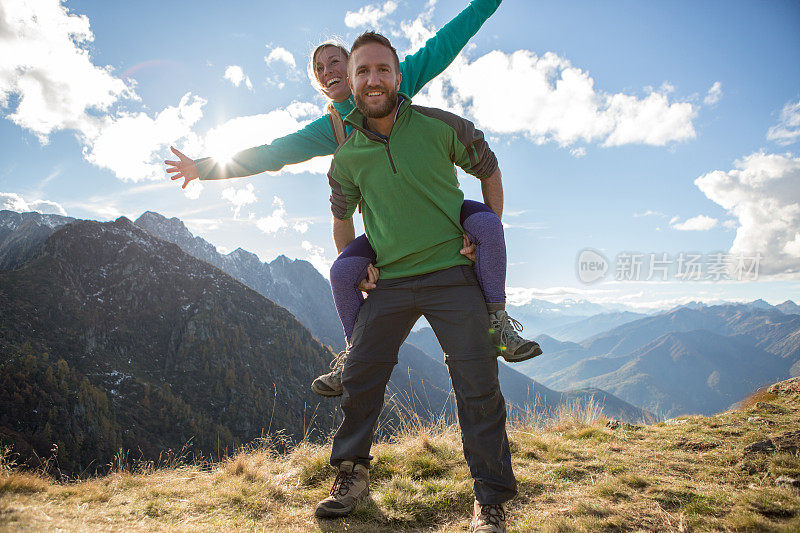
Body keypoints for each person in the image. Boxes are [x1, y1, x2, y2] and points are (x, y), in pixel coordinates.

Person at [164, 0, 541, 398]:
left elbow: (445, 42)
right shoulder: (331, 129)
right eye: (319, 70)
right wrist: (203, 167)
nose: (329, 72)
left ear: (358, 64)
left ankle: (498, 324)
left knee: (487, 226)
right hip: (389, 229)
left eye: (335, 62)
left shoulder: (397, 81)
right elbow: (272, 153)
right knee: (341, 272)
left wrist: (486, 4)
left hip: (441, 213)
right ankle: (353, 355)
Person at [313, 31, 514, 533]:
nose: (373, 79)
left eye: (383, 69)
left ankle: (490, 501)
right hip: (392, 284)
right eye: (363, 72)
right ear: (351, 83)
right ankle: (351, 476)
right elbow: (341, 221)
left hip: (453, 276)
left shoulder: (440, 126)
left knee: (479, 386)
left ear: (399, 76)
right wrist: (356, 266)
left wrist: (482, 231)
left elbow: (488, 168)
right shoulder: (346, 157)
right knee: (360, 378)